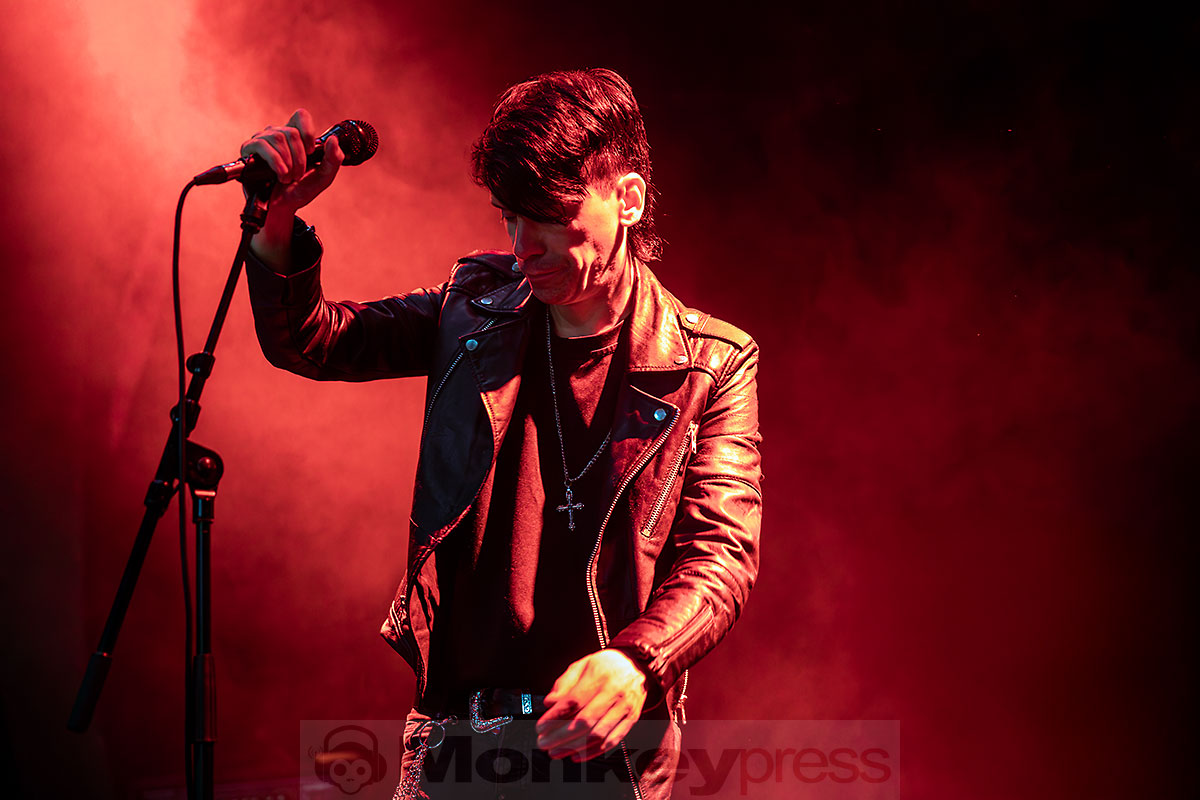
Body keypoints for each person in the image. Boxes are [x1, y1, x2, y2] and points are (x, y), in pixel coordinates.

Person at [241, 68, 762, 799]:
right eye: (509, 217)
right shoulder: (472, 308)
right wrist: (275, 221)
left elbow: (722, 556)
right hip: (456, 749)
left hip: (603, 759)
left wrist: (638, 661)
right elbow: (314, 341)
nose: (523, 246)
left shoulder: (711, 364)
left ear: (629, 199)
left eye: (547, 216)